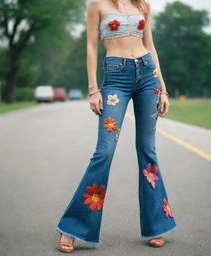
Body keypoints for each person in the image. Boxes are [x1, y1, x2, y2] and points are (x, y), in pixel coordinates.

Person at [56, 0, 177, 252]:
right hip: (115, 78)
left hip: (147, 77)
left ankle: (156, 226)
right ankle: (72, 227)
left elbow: (150, 46)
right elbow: (90, 46)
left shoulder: (142, 5)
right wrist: (93, 89)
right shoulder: (96, 4)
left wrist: (163, 90)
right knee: (104, 151)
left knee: (148, 151)